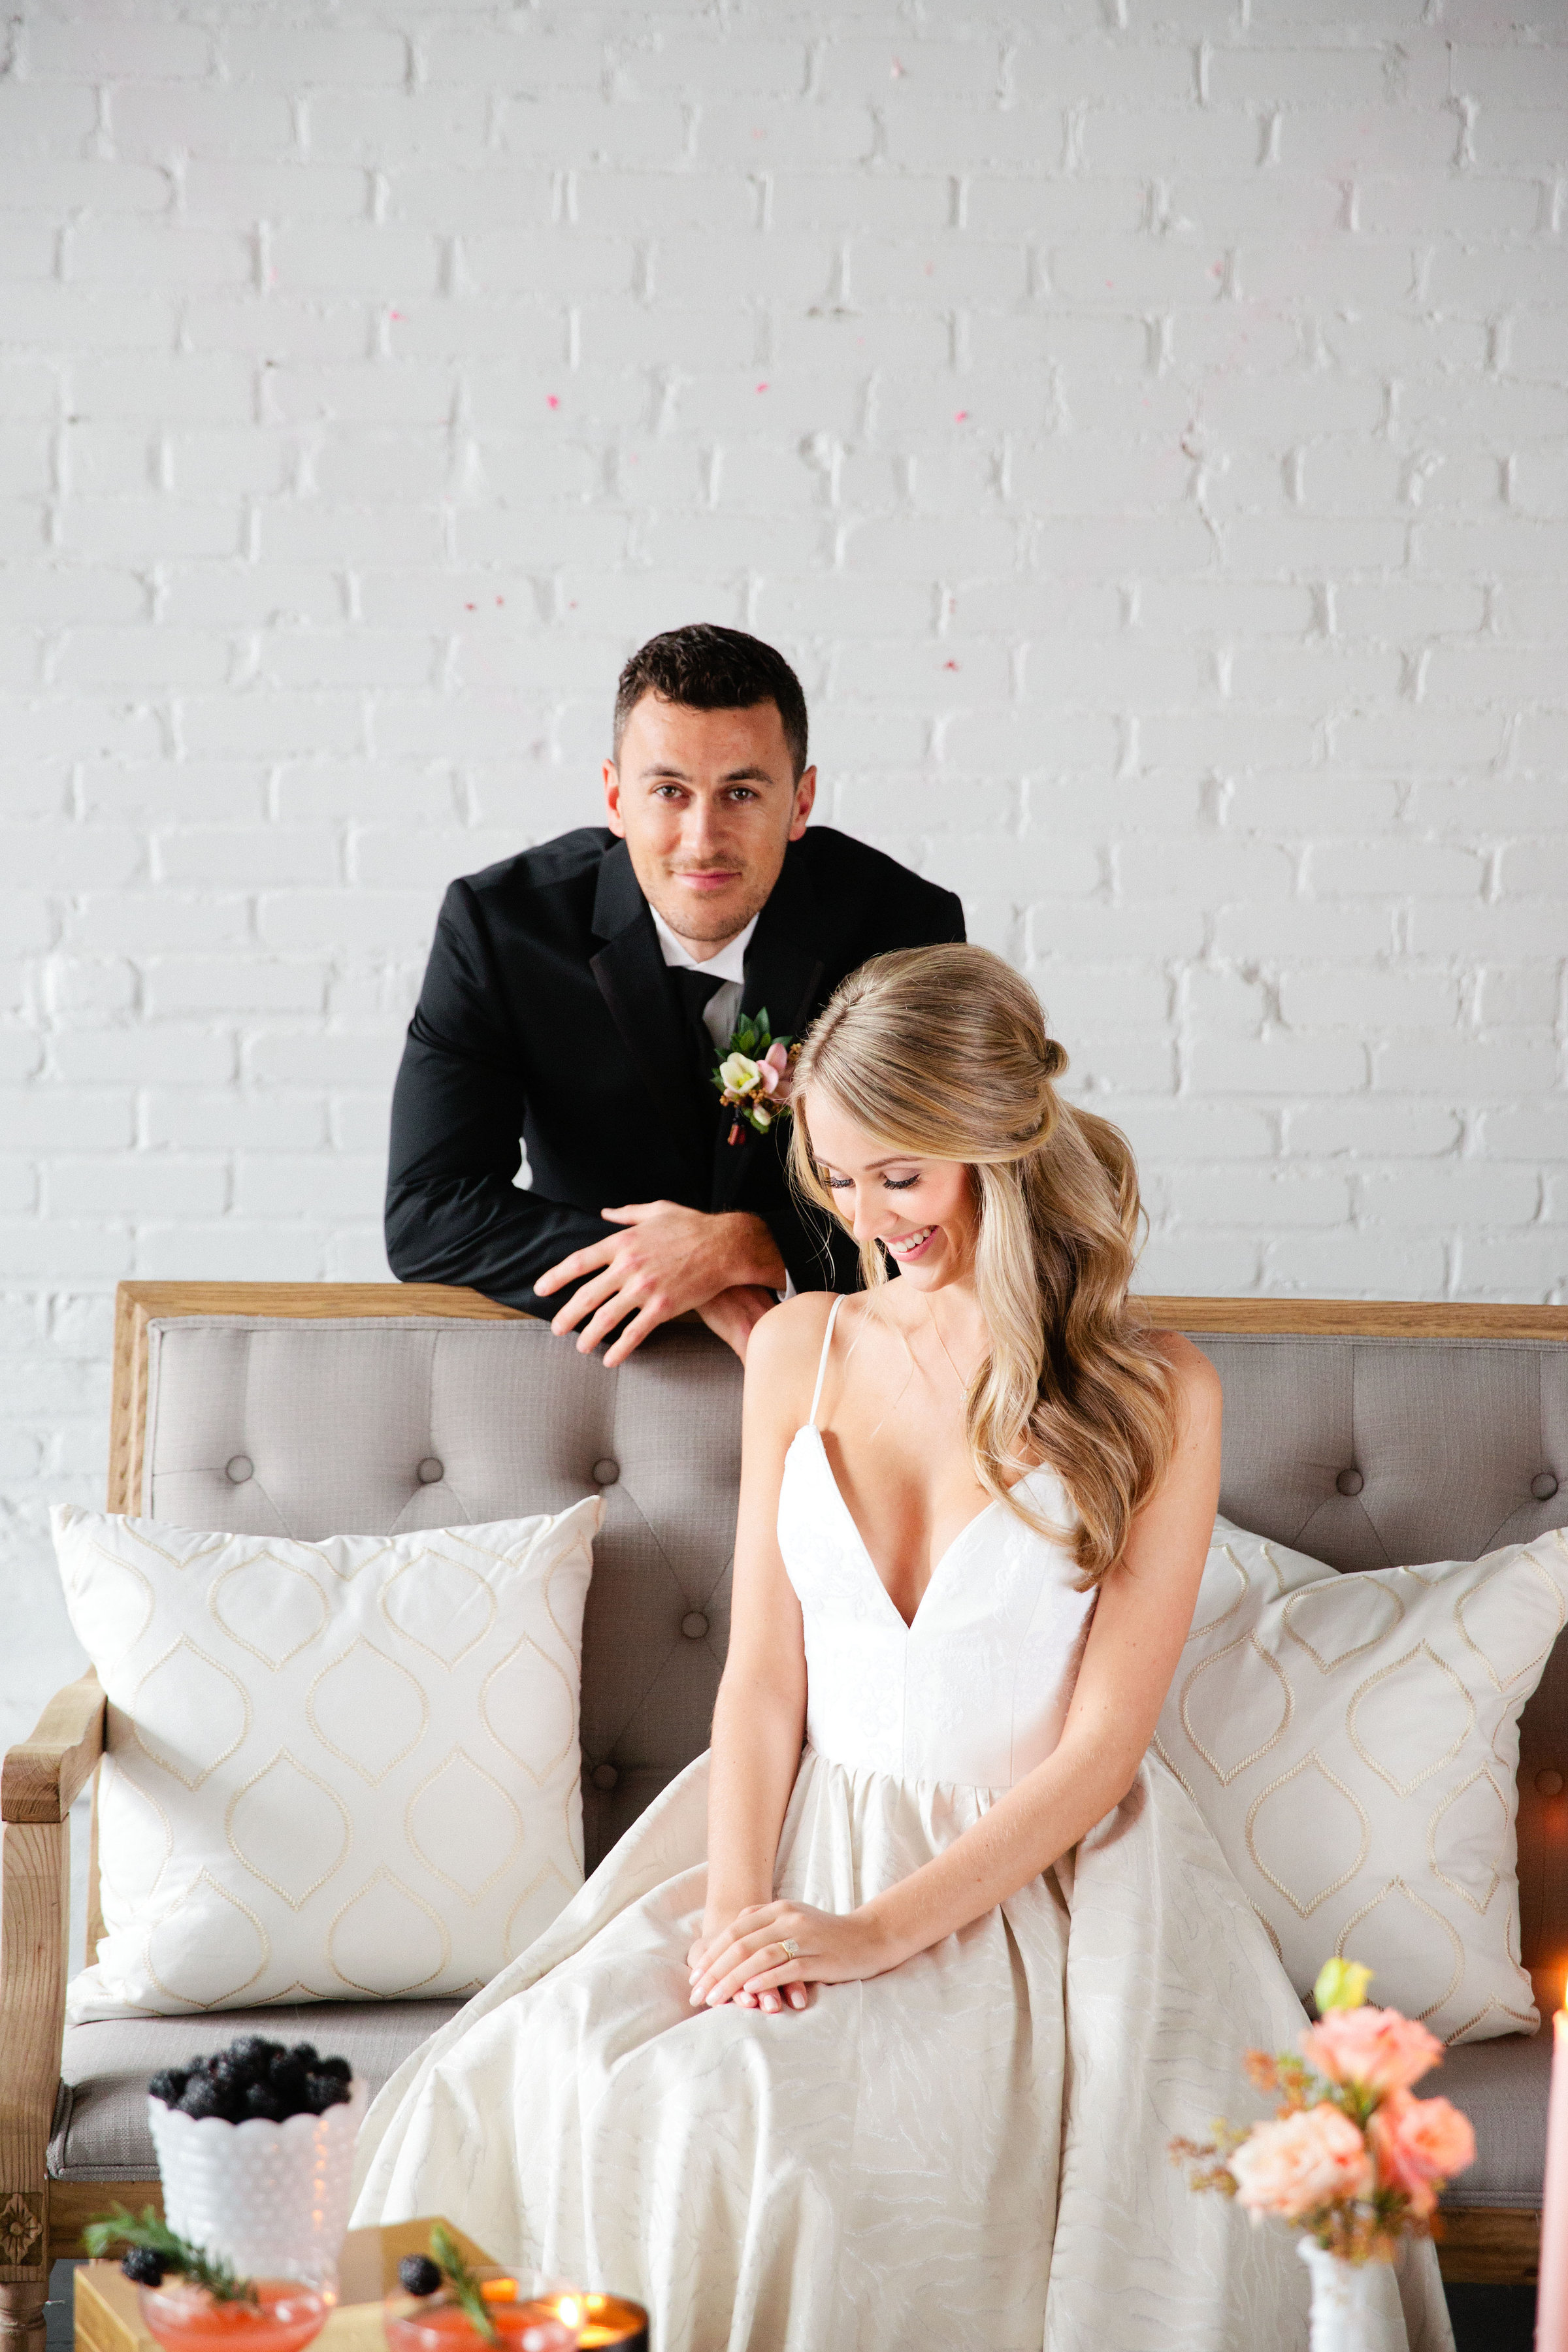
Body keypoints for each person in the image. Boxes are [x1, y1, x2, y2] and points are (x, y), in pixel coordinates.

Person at [353, 947, 1452, 2352]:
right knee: (522, 2078)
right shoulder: (800, 1346)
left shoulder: (1156, 1392)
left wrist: (871, 1935)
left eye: (902, 1177)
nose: (868, 1220)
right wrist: (736, 1920)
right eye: (838, 1178)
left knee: (786, 2151)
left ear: (995, 1144)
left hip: (1035, 1884)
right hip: (798, 1833)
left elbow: (1104, 1748)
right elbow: (763, 1681)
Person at [384, 623, 964, 1364]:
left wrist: (744, 1248)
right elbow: (428, 1212)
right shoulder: (500, 929)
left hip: (850, 1347)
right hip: (601, 1349)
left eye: (742, 792)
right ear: (615, 797)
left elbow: (961, 1201)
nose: (701, 839)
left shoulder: (903, 930)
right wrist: (673, 1269)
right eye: (668, 791)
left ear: (800, 803)